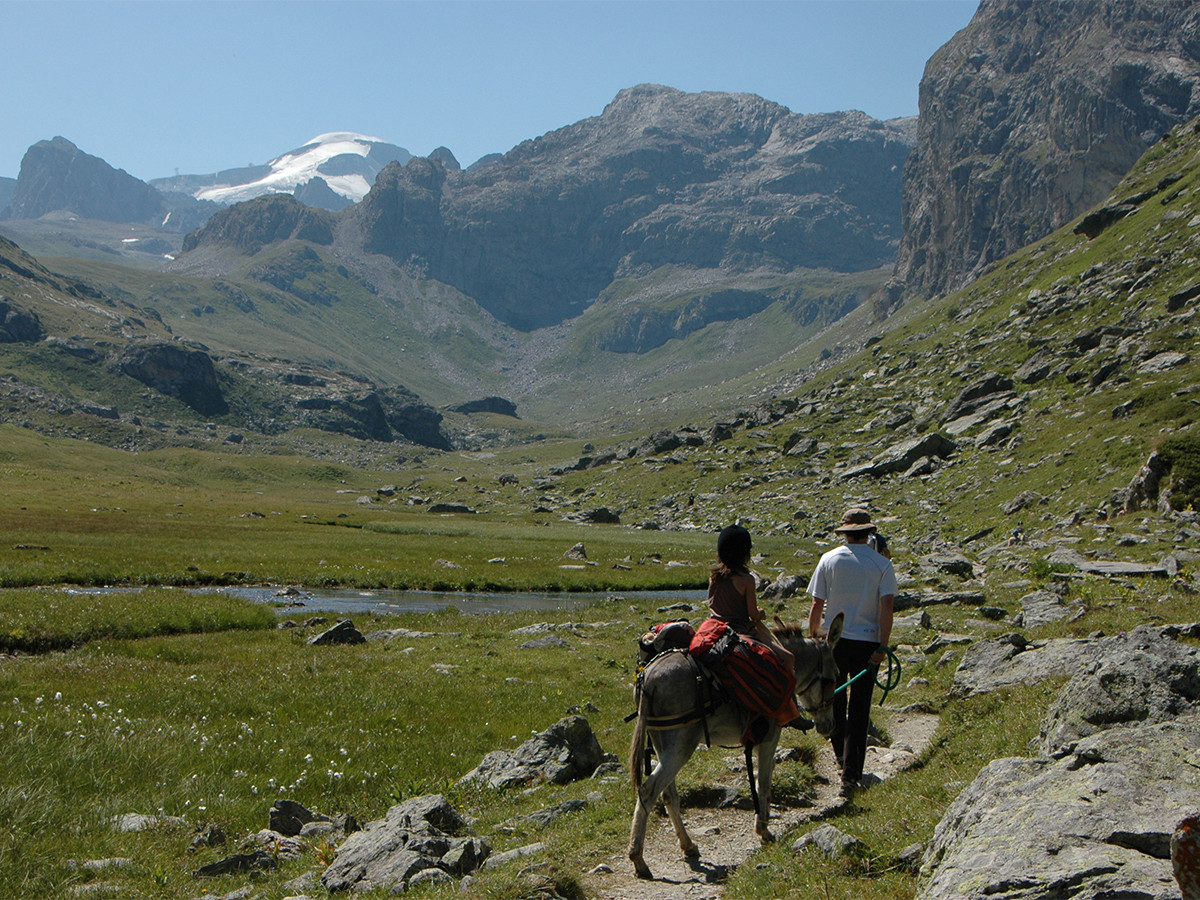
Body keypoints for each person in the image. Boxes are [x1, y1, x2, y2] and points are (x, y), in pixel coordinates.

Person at [806, 508, 896, 797]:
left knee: (834, 701)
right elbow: (886, 609)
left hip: (834, 643)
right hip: (867, 642)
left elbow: (817, 605)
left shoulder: (828, 559)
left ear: (845, 533)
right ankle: (851, 773)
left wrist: (814, 640)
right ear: (869, 532)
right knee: (860, 707)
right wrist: (882, 646)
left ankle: (841, 759)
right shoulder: (882, 564)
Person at [708, 524, 803, 727]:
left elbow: (712, 604)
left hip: (713, 628)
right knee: (787, 658)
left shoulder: (714, 575)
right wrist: (760, 613)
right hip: (740, 630)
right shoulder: (746, 580)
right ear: (744, 553)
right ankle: (786, 713)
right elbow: (753, 615)